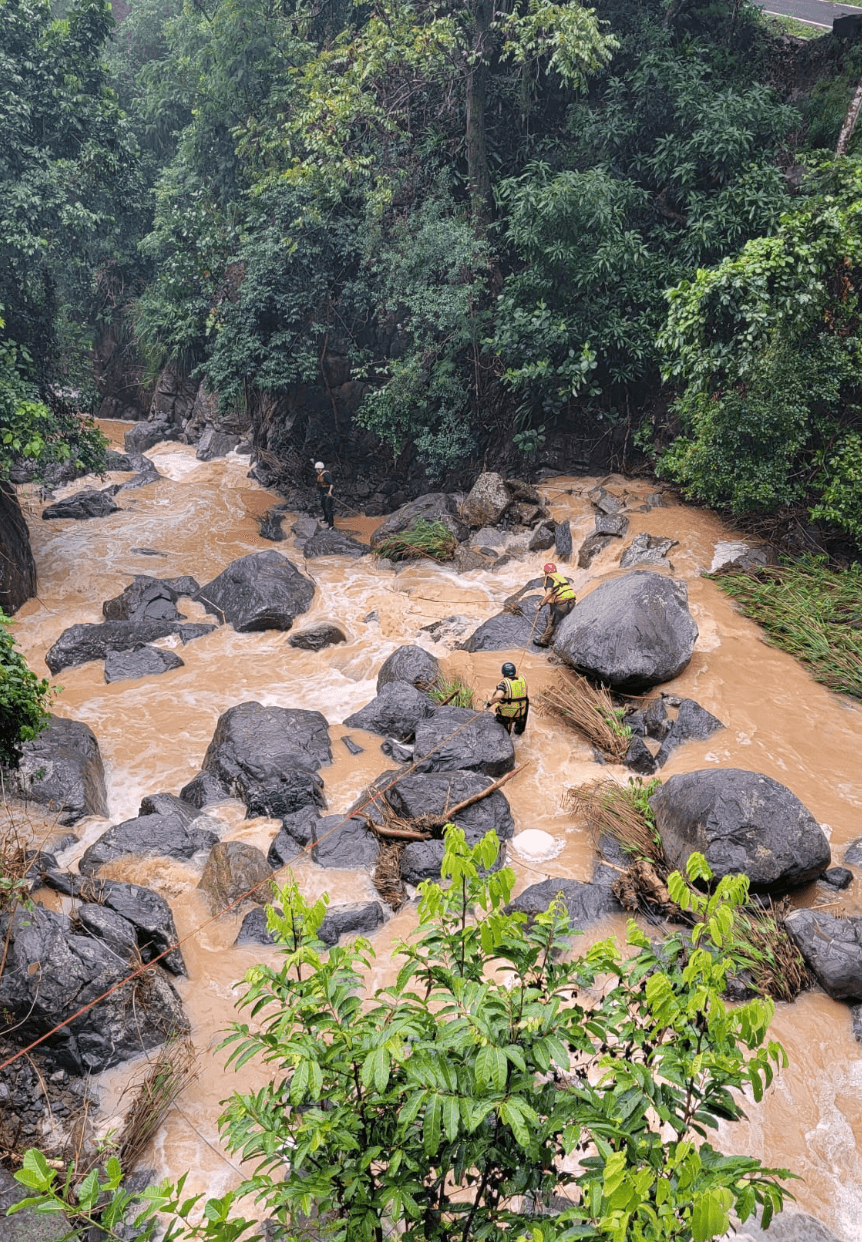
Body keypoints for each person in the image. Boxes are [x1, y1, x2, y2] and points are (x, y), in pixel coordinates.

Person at [536, 561, 575, 648]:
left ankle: (544, 641)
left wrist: (541, 605)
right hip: (572, 602)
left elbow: (548, 594)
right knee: (559, 619)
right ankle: (554, 636)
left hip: (562, 604)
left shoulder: (550, 579)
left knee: (552, 622)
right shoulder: (560, 578)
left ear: (546, 572)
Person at [485, 662, 529, 735]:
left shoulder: (504, 684)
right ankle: (518, 732)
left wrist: (488, 704)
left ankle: (505, 734)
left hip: (506, 716)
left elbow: (498, 696)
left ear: (503, 673)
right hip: (520, 714)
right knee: (526, 701)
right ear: (514, 672)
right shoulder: (522, 682)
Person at [314, 460, 335, 528]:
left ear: (321, 469)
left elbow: (331, 484)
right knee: (323, 505)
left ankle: (331, 525)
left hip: (327, 493)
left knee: (328, 508)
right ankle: (326, 519)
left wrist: (330, 492)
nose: (317, 471)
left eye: (318, 469)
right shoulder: (320, 475)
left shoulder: (326, 475)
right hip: (323, 492)